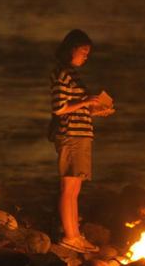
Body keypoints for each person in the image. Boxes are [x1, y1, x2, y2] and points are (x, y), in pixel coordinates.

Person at [49, 29, 112, 253]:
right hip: (72, 136)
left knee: (75, 188)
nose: (86, 56)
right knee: (69, 186)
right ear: (71, 49)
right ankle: (70, 236)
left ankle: (75, 234)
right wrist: (85, 101)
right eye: (83, 51)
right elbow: (59, 108)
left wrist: (95, 109)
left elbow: (75, 106)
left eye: (88, 52)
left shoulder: (73, 74)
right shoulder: (62, 74)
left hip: (82, 135)